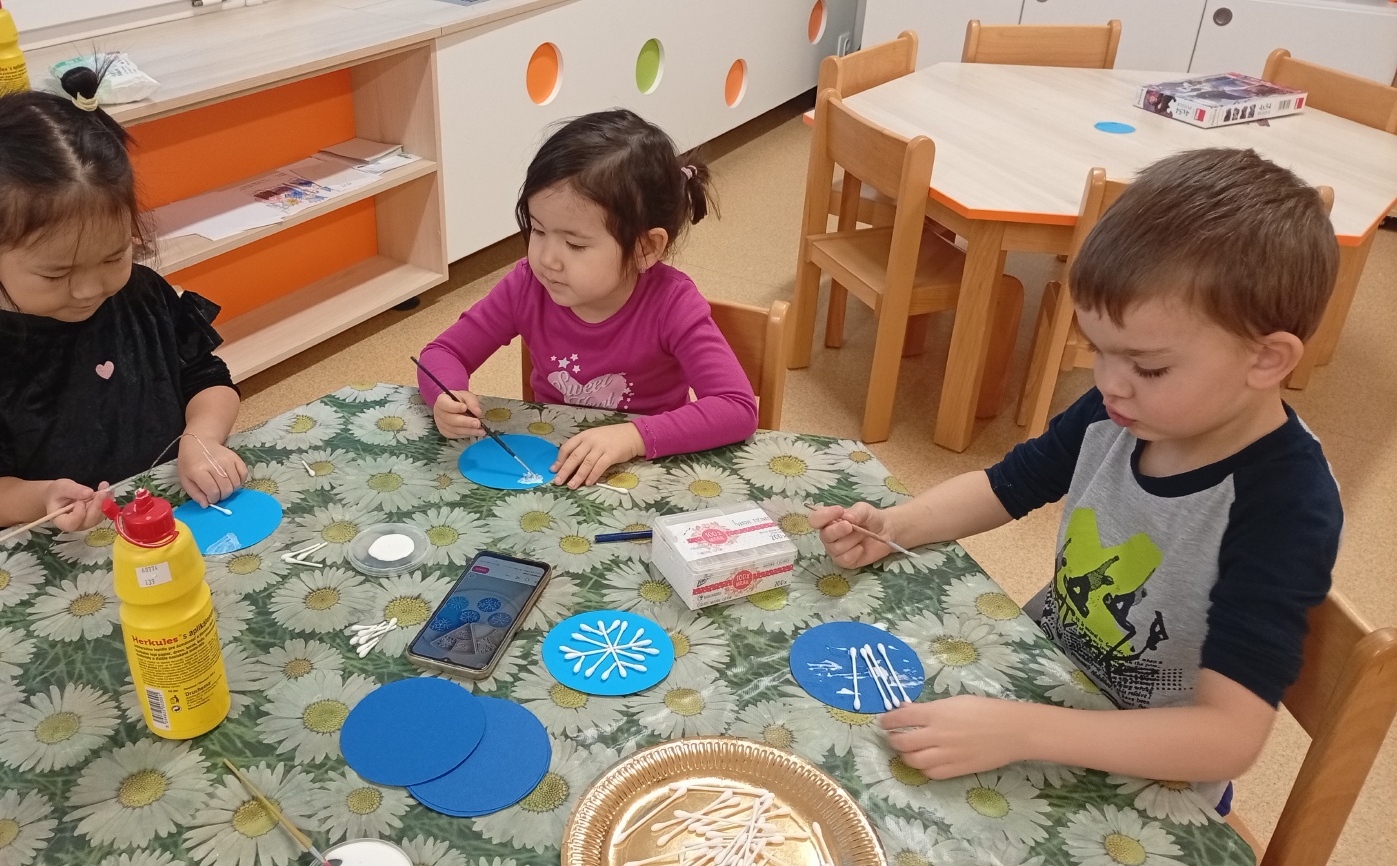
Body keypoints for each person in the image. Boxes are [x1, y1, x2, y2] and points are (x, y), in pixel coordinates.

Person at [811, 148, 1342, 810]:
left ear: (1266, 358)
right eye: (1098, 350)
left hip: (1148, 776)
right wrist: (896, 525)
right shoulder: (1119, 412)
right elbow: (1008, 484)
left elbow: (1227, 737)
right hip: (1047, 685)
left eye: (1148, 367)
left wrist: (1024, 731)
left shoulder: (1286, 504)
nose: (1109, 383)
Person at [0, 67, 246, 533]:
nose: (89, 290)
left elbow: (208, 379)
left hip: (175, 515)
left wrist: (202, 438)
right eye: (55, 273)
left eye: (113, 256)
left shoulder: (142, 293)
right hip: (64, 544)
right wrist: (41, 498)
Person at [417, 109, 758, 488]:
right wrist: (446, 395)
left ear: (645, 248)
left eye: (575, 244)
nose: (547, 259)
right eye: (538, 230)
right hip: (549, 466)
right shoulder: (527, 285)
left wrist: (634, 437)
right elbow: (442, 353)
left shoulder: (672, 304)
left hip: (643, 471)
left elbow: (736, 408)